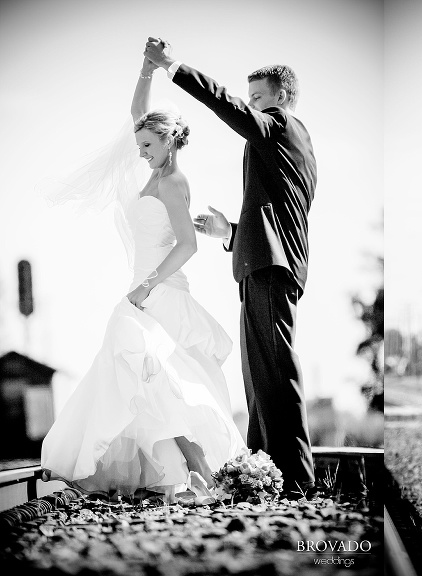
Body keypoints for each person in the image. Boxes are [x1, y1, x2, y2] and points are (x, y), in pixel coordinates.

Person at [41, 55, 246, 504]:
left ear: (169, 142)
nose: (141, 153)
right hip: (144, 292)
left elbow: (188, 246)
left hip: (161, 293)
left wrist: (148, 284)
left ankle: (204, 477)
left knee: (163, 383)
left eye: (148, 146)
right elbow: (139, 115)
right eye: (140, 146)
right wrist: (147, 69)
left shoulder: (173, 181)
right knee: (148, 384)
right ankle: (179, 477)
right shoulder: (153, 168)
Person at [144, 38, 316, 499]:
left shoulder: (282, 127)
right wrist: (230, 232)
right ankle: (268, 474)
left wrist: (171, 66)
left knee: (276, 374)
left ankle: (295, 481)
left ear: (280, 97)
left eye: (259, 98)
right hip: (262, 263)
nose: (253, 107)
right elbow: (277, 214)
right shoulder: (285, 144)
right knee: (259, 377)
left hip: (271, 269)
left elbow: (226, 103)